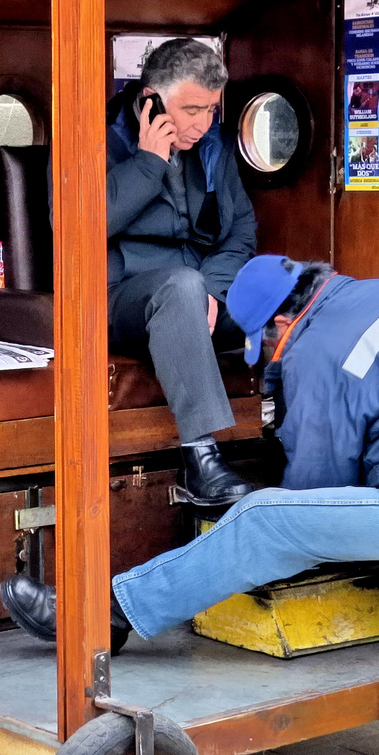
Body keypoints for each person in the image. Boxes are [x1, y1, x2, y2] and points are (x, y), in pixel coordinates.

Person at [0, 255, 379, 647]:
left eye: (266, 342)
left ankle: (106, 617)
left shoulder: (318, 351)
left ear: (282, 320)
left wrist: (255, 495)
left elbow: (315, 490)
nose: (271, 354)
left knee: (266, 521)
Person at [103, 37, 258, 507]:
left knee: (298, 292)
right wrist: (148, 164)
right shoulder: (96, 136)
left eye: (211, 109)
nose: (203, 123)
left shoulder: (212, 145)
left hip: (201, 291)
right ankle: (201, 460)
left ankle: (309, 452)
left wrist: (212, 289)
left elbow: (242, 230)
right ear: (150, 97)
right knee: (182, 287)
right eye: (192, 109)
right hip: (119, 297)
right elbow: (74, 228)